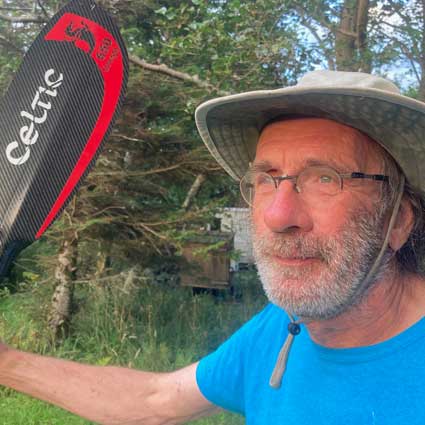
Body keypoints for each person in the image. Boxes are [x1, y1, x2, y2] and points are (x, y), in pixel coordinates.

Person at [1, 70, 425, 424]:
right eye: (265, 179)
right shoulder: (283, 327)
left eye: (324, 179)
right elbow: (155, 401)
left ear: (399, 221)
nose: (278, 216)